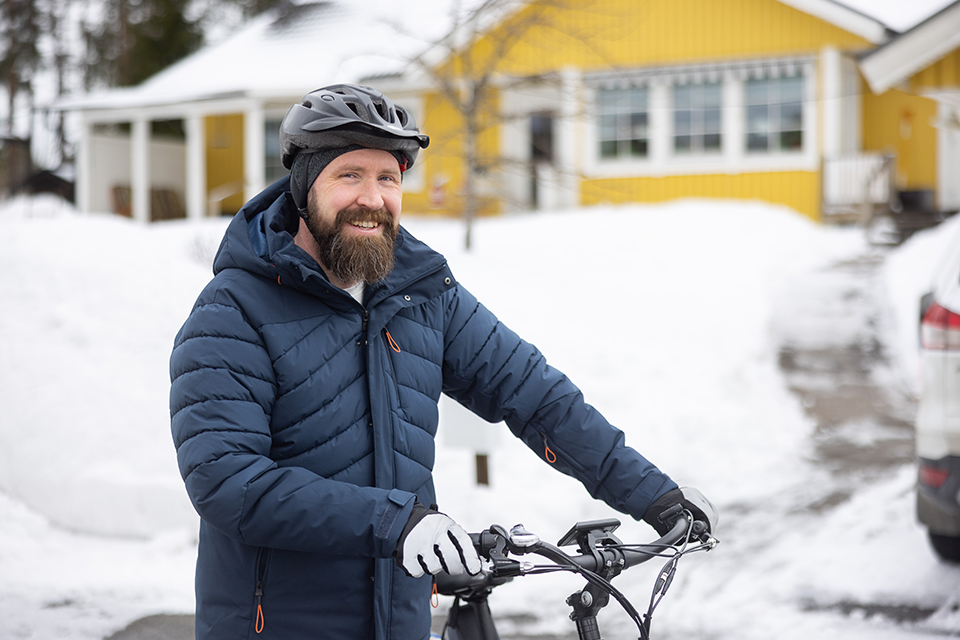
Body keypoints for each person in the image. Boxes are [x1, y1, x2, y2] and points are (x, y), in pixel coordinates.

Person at [169, 83, 716, 640]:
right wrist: (394, 522)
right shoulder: (234, 309)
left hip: (400, 619)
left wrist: (653, 494)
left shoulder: (421, 296)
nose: (372, 197)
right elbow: (227, 480)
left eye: (388, 178)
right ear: (305, 185)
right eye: (349, 175)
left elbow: (534, 394)